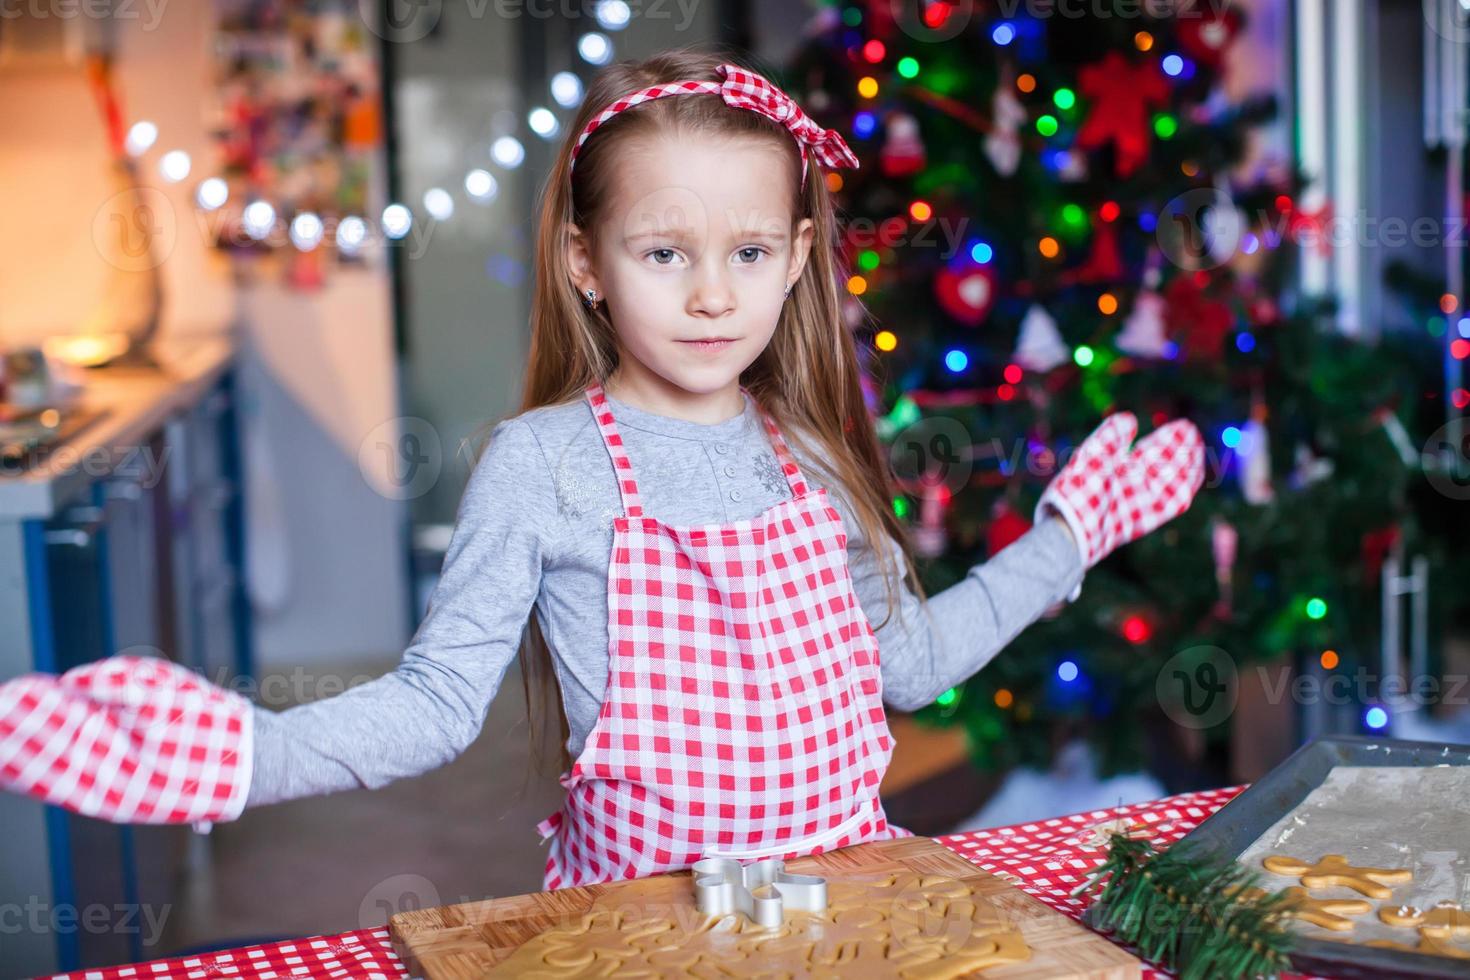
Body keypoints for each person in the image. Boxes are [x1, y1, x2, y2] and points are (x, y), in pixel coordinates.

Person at [0, 47, 1205, 892]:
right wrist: (244, 754)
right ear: (587, 260)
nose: (711, 292)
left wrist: (1067, 541)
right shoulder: (545, 465)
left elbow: (911, 663)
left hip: (850, 912)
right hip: (630, 928)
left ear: (797, 260)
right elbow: (433, 708)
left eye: (745, 250)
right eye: (664, 249)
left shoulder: (821, 459)